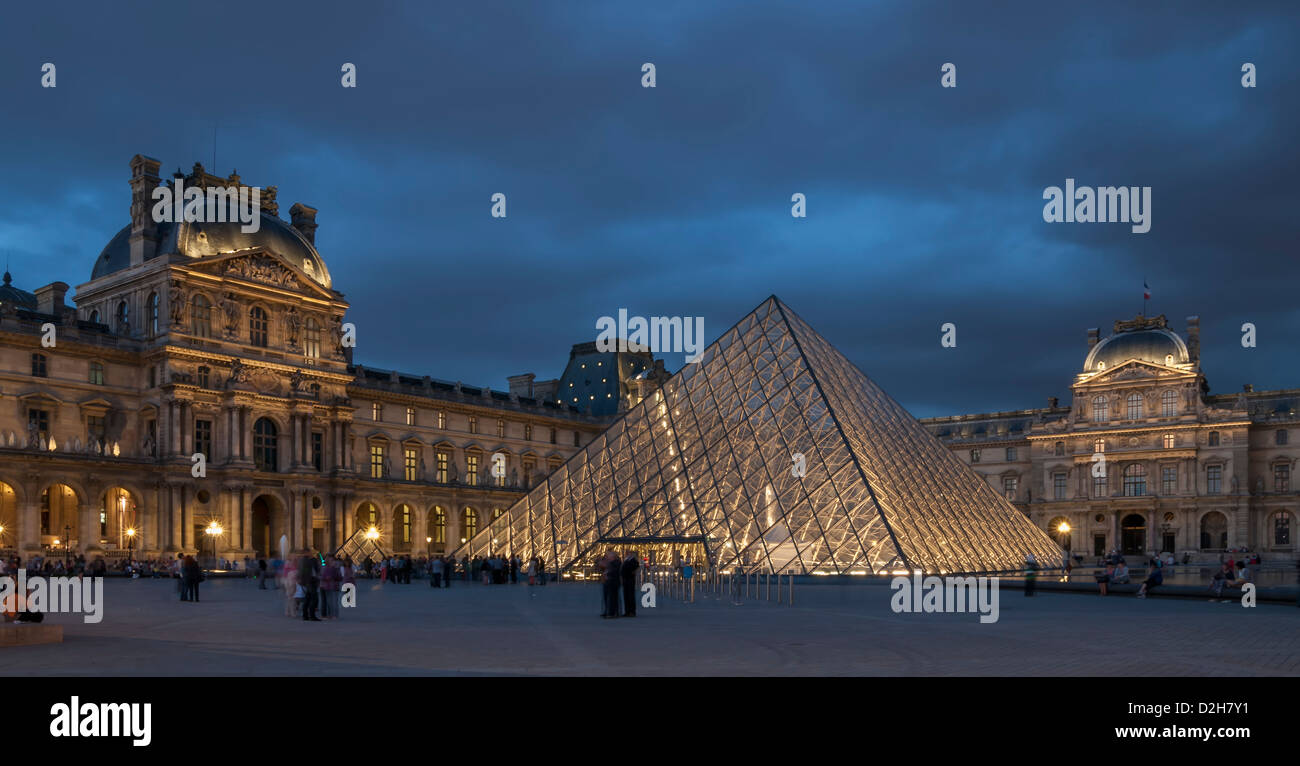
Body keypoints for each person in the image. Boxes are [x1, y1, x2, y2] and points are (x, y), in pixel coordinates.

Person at [299, 553, 321, 621]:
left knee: (307, 599)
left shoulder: (304, 564)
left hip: (308, 582)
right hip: (312, 582)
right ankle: (312, 615)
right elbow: (316, 573)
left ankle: (305, 615)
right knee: (314, 599)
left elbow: (302, 574)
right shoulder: (313, 563)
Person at [601, 551, 621, 618]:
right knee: (608, 598)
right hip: (608, 582)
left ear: (612, 556)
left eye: (608, 556)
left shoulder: (616, 562)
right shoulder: (610, 563)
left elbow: (615, 571)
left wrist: (607, 573)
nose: (607, 557)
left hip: (613, 582)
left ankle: (612, 613)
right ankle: (608, 611)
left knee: (613, 598)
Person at [621, 550, 640, 617]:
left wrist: (632, 572)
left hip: (630, 579)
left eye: (628, 553)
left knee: (630, 596)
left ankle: (632, 611)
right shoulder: (626, 560)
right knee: (626, 596)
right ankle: (627, 611)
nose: (627, 554)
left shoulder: (633, 561)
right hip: (625, 579)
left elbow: (636, 567)